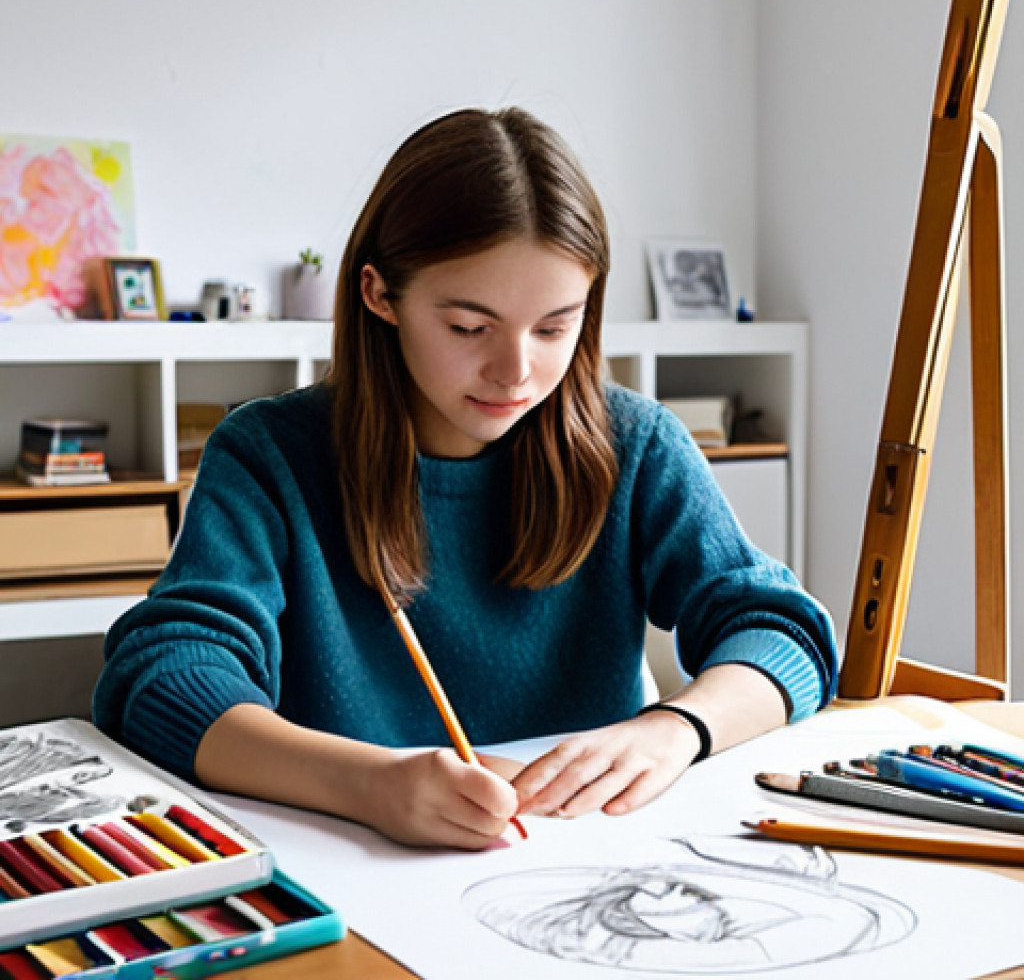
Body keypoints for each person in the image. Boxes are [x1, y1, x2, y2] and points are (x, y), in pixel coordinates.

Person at [93, 108, 837, 851]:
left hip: (573, 870)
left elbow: (782, 631)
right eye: (468, 327)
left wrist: (677, 728)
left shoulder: (635, 446)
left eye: (553, 327)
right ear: (380, 294)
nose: (517, 371)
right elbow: (165, 678)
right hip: (345, 876)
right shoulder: (269, 455)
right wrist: (369, 784)